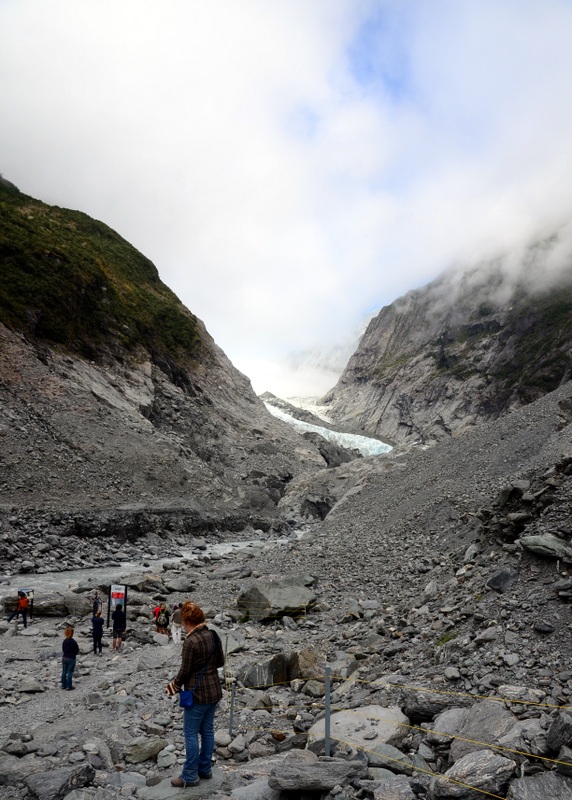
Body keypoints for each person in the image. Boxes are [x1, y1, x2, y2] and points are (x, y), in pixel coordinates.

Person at [166, 601, 225, 788]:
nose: (183, 626)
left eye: (184, 622)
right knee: (207, 731)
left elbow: (185, 670)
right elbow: (220, 662)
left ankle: (190, 775)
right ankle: (205, 769)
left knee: (190, 733)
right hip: (214, 690)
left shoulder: (191, 641)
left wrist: (174, 686)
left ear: (187, 621)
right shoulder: (213, 635)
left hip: (197, 694)